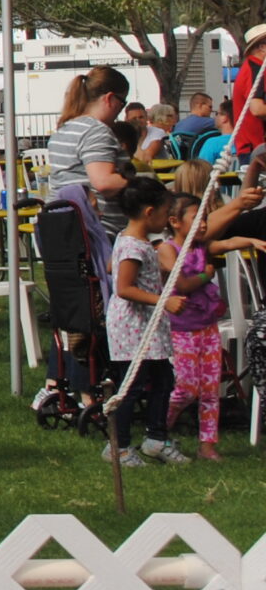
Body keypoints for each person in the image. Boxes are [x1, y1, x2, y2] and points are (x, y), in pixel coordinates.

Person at [105, 176, 191, 467]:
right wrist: (163, 300)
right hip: (132, 328)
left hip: (147, 327)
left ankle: (156, 438)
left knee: (164, 379)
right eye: (167, 212)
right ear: (149, 212)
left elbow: (113, 268)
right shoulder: (134, 246)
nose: (169, 219)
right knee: (132, 386)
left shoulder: (137, 242)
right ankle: (119, 447)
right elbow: (124, 288)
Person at [159, 192, 252, 462]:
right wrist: (206, 275)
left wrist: (254, 240)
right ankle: (161, 426)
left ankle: (207, 445)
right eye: (196, 219)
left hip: (208, 328)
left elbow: (230, 242)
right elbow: (183, 284)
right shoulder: (167, 249)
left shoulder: (202, 246)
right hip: (181, 330)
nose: (202, 224)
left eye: (204, 219)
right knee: (187, 389)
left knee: (211, 390)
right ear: (175, 222)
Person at [44, 67, 135, 236]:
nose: (120, 110)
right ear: (110, 98)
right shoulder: (97, 131)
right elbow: (104, 182)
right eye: (122, 103)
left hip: (61, 228)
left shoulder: (65, 129)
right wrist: (141, 182)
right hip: (98, 233)